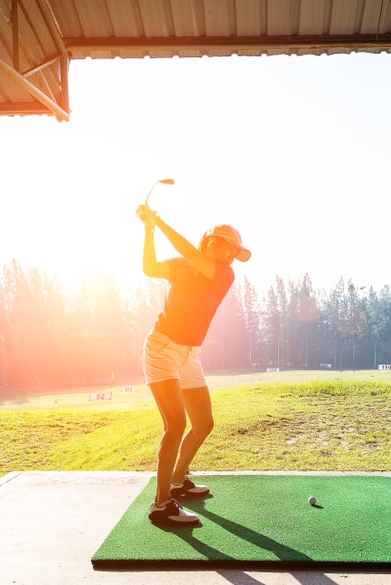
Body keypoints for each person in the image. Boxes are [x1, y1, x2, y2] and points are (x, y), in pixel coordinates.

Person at [135, 203, 250, 526]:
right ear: (213, 242)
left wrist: (159, 222)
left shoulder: (224, 273)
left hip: (190, 355)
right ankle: (161, 505)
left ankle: (177, 480)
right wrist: (148, 229)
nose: (233, 257)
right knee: (175, 425)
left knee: (203, 422)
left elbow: (189, 251)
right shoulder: (182, 264)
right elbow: (149, 268)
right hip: (161, 349)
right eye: (231, 249)